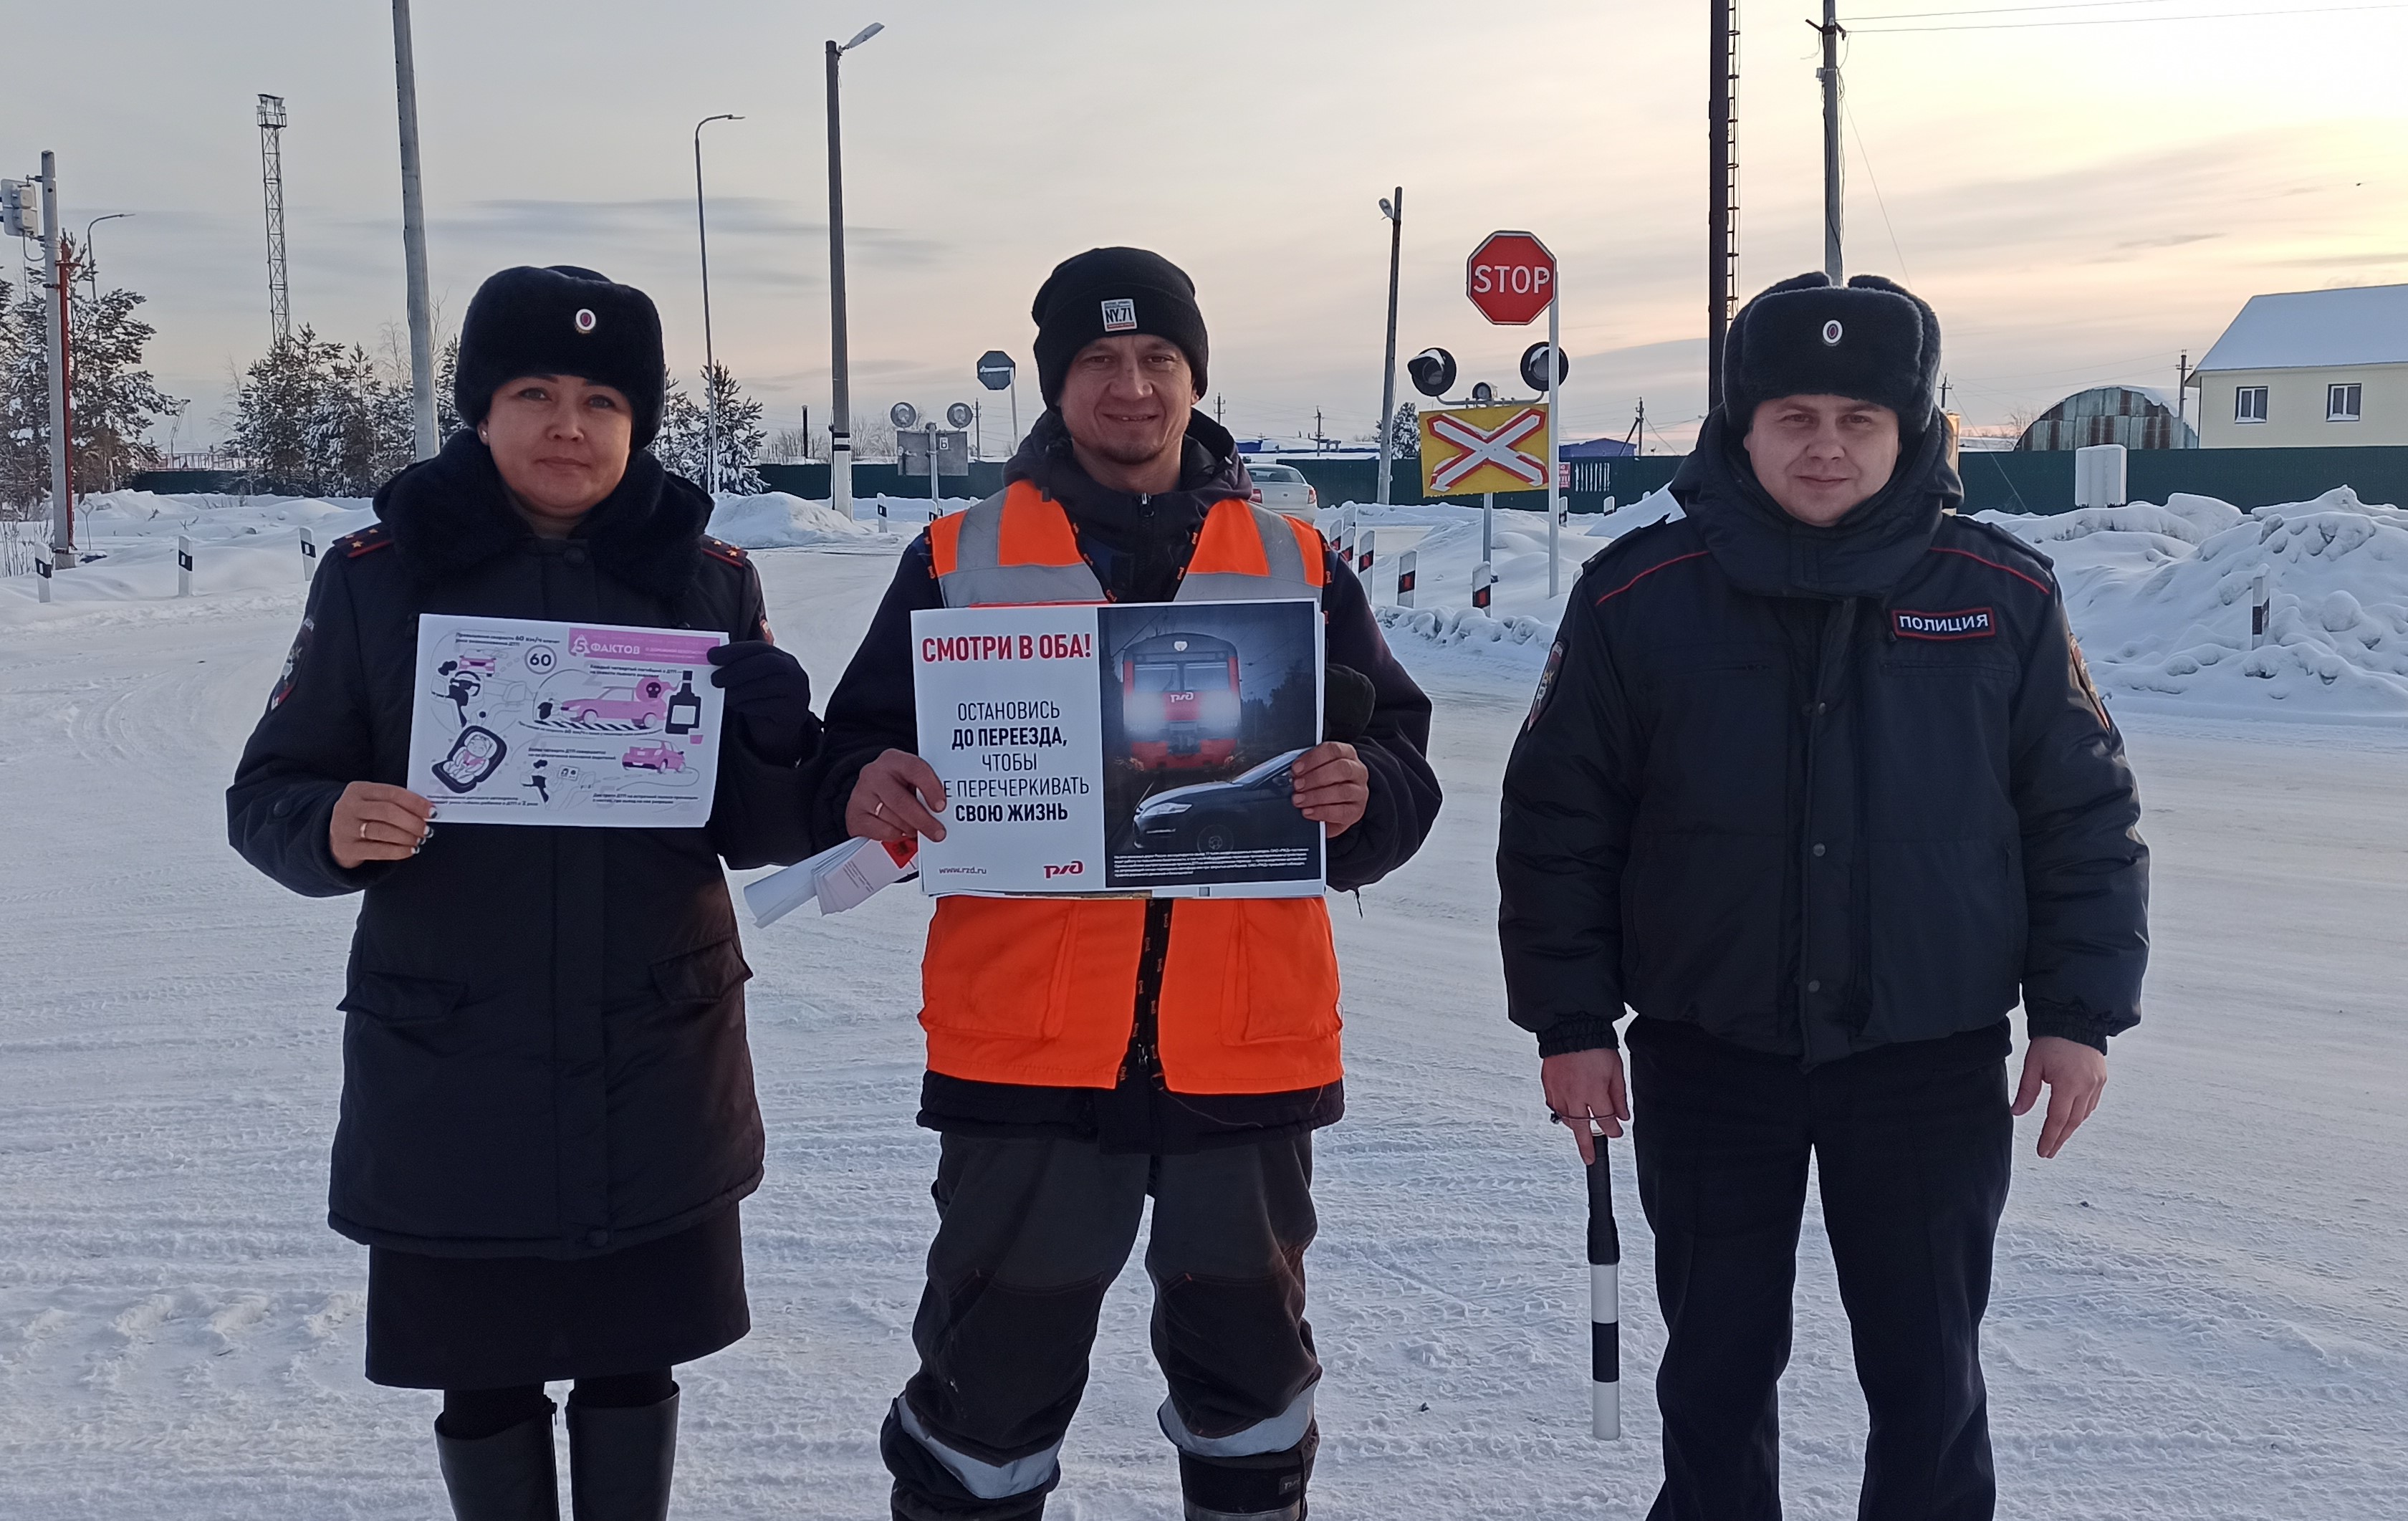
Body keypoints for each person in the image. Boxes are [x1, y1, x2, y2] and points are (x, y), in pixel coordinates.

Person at [1498, 272, 2149, 1521]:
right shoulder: (1638, 596)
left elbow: (2081, 819)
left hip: (1923, 1059)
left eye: (1859, 419)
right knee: (1717, 1373)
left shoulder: (2001, 595)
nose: (1825, 445)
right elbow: (1556, 827)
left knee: (1927, 1377)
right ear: (1737, 426)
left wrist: (2078, 1015)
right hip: (1708, 1055)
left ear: (1910, 432)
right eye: (1792, 414)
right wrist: (1570, 1026)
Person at [813, 247, 1443, 1521]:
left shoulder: (1296, 562)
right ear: (1056, 386)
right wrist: (865, 783)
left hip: (1243, 1049)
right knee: (985, 1399)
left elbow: (1402, 763)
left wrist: (1360, 793)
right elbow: (850, 748)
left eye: (1157, 357)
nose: (1132, 385)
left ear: (1194, 377)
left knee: (1251, 1393)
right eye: (1098, 360)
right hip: (1027, 1052)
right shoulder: (958, 557)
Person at [226, 264, 822, 1521]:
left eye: (603, 399)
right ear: (479, 410)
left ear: (637, 425)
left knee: (631, 1365)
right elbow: (266, 793)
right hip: (456, 1058)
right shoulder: (379, 574)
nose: (568, 424)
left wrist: (778, 743)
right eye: (535, 392)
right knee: (484, 1380)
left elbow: (759, 828)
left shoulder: (704, 577)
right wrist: (328, 825)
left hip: (653, 1047)